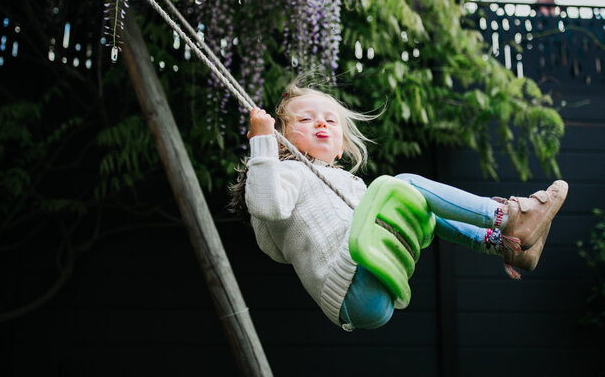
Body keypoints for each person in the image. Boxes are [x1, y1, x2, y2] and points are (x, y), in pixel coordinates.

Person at [229, 81, 568, 331]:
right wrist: (262, 144)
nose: (320, 123)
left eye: (330, 121)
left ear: (341, 146)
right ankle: (507, 218)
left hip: (371, 294)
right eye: (305, 120)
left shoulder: (349, 185)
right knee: (404, 183)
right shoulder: (287, 172)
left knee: (419, 204)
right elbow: (268, 209)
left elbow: (276, 247)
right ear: (281, 135)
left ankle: (504, 244)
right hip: (352, 287)